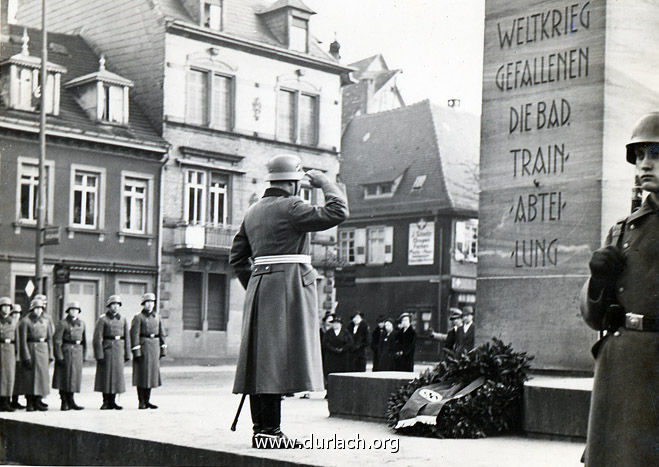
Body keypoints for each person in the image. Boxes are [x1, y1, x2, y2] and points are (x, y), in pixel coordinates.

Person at [230, 153, 348, 448]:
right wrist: (325, 182)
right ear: (294, 183)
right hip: (289, 286)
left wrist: (258, 284)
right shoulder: (293, 206)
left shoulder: (253, 211)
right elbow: (337, 212)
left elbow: (237, 259)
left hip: (260, 286)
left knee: (262, 361)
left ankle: (263, 429)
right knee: (275, 361)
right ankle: (270, 432)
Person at [580, 112, 659, 466]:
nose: (645, 165)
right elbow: (594, 315)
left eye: (655, 154)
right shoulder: (622, 229)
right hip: (621, 367)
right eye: (639, 156)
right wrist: (599, 280)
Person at [93, 295, 131, 410]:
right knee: (106, 375)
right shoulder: (102, 319)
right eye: (113, 304)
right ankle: (105, 401)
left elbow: (127, 337)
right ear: (109, 306)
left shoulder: (123, 319)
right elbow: (97, 338)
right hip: (107, 349)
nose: (115, 307)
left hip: (119, 349)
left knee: (117, 376)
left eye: (117, 305)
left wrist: (127, 353)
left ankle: (113, 401)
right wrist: (99, 354)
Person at [16, 298, 53, 412]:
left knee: (41, 377)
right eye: (36, 308)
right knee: (29, 377)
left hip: (43, 349)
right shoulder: (25, 321)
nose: (38, 311)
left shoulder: (46, 321)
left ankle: (38, 400)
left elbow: (50, 338)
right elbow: (22, 340)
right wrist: (26, 356)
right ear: (32, 309)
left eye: (40, 308)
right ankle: (30, 402)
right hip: (31, 348)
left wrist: (50, 354)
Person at [131, 292, 166, 410]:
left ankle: (148, 400)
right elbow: (134, 335)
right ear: (143, 304)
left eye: (152, 302)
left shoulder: (157, 317)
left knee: (151, 375)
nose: (150, 305)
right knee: (142, 375)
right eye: (148, 302)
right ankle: (141, 401)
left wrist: (163, 348)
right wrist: (136, 351)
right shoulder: (138, 317)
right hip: (143, 346)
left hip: (154, 346)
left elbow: (162, 333)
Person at [52, 301, 86, 411]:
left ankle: (71, 400)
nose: (74, 312)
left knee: (74, 378)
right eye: (72, 310)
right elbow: (57, 341)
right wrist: (59, 356)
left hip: (77, 352)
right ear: (68, 311)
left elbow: (84, 341)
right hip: (66, 351)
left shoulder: (81, 323)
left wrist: (83, 355)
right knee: (64, 377)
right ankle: (64, 401)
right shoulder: (62, 323)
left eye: (76, 310)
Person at [0, 297, 18, 412]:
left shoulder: (13, 321)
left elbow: (18, 338)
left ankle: (7, 401)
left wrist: (18, 353)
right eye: (4, 306)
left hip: (10, 349)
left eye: (8, 307)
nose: (6, 309)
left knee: (8, 375)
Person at [10, 304, 25, 410]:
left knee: (18, 379)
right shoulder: (10, 323)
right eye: (14, 313)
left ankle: (15, 400)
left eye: (18, 313)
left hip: (20, 354)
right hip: (10, 353)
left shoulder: (21, 324)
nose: (16, 315)